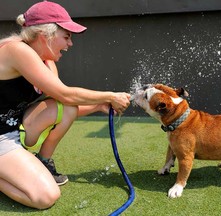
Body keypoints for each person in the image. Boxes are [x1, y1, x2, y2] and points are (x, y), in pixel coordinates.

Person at [0, 0, 131, 210]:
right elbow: (66, 94)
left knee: (66, 106)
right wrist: (110, 95)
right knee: (46, 196)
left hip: (15, 128)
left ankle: (43, 161)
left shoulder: (46, 61)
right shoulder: (16, 51)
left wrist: (99, 106)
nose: (70, 44)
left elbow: (65, 104)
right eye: (66, 37)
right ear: (46, 36)